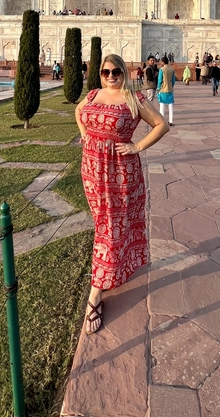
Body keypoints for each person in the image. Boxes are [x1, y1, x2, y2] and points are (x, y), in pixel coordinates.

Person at [75, 54, 168, 334]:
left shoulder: (134, 98)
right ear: (100, 74)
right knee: (103, 226)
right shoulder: (93, 95)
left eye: (116, 71)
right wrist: (86, 135)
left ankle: (96, 294)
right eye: (106, 72)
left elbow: (161, 125)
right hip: (92, 170)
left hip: (120, 173)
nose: (111, 76)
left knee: (110, 229)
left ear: (124, 73)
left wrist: (137, 147)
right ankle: (117, 268)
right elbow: (79, 112)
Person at [157, 56, 175, 126]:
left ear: (163, 62)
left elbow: (160, 80)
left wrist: (158, 88)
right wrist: (171, 86)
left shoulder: (162, 69)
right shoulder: (172, 69)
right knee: (170, 105)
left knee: (162, 105)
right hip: (170, 89)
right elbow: (173, 81)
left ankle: (162, 121)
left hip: (163, 89)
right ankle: (171, 121)